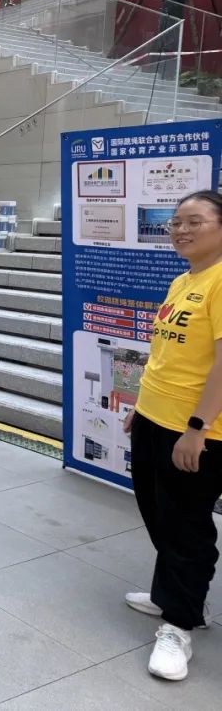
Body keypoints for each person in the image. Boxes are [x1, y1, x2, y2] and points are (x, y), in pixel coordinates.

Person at [121, 189, 222, 682]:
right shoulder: (184, 279)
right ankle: (173, 593)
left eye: (194, 221)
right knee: (158, 512)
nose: (181, 230)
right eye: (176, 223)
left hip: (197, 429)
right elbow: (166, 352)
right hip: (153, 417)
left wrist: (197, 427)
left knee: (186, 525)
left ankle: (180, 623)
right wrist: (140, 406)